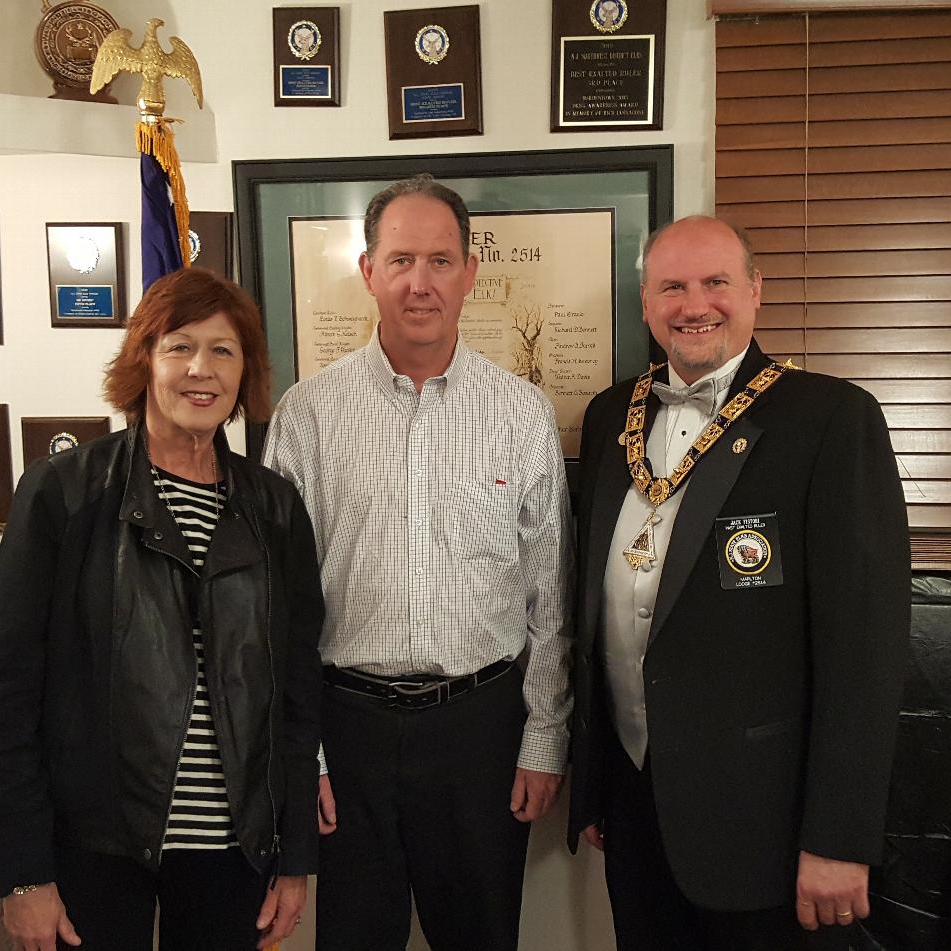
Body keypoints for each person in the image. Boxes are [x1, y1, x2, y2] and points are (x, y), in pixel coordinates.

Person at [567, 216, 910, 950]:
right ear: (646, 301)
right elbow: (594, 615)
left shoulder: (829, 418)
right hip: (636, 806)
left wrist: (840, 837)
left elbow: (866, 650)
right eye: (673, 286)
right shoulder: (608, 416)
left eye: (716, 282)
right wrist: (597, 782)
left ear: (755, 290)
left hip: (768, 826)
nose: (695, 304)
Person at [0, 268, 324, 951]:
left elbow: (296, 695)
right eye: (180, 346)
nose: (202, 369)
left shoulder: (276, 508)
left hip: (234, 853)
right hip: (92, 851)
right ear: (145, 360)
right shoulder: (64, 493)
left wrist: (296, 856)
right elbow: (6, 699)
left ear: (244, 370)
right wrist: (22, 875)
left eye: (224, 350)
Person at [263, 173, 574, 951]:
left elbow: (551, 596)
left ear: (471, 273)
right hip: (348, 729)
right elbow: (275, 608)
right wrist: (310, 758)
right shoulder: (308, 413)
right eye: (401, 260)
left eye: (440, 261)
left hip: (480, 731)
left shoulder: (521, 412)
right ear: (368, 271)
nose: (420, 282)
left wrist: (544, 739)